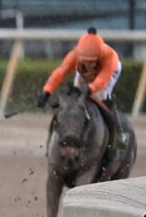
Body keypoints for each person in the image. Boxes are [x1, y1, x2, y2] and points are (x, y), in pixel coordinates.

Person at [37, 28, 126, 161]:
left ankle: (120, 138)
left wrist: (90, 89)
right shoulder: (75, 54)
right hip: (84, 71)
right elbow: (60, 73)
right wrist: (46, 92)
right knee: (74, 101)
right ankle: (52, 140)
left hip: (108, 73)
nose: (90, 65)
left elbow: (101, 80)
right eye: (87, 61)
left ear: (99, 56)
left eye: (93, 62)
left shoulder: (110, 58)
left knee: (102, 98)